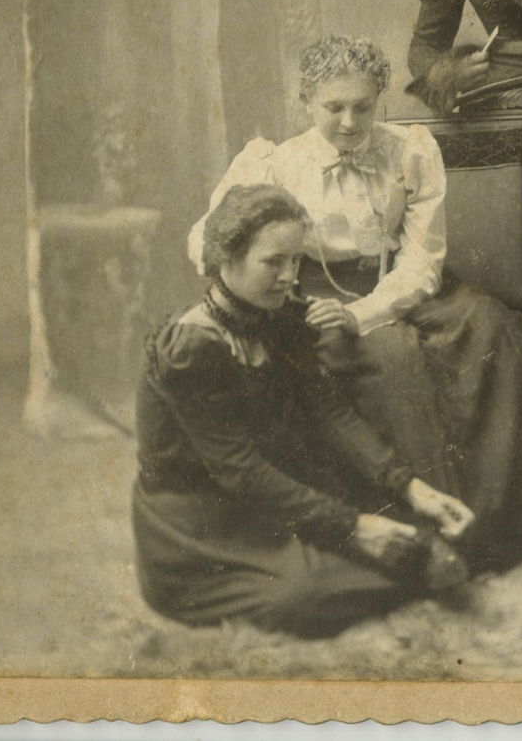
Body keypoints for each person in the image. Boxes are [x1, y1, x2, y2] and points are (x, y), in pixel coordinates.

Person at [188, 36, 522, 570]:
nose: (349, 121)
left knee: (498, 327)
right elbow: (206, 240)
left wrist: (364, 311)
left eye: (363, 107)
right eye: (334, 107)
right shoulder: (274, 165)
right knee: (392, 358)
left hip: (398, 284)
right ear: (306, 101)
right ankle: (426, 533)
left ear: (380, 102)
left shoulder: (409, 151)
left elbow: (422, 261)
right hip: (310, 294)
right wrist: (270, 275)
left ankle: (509, 518)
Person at [135, 184, 474, 637]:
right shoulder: (192, 348)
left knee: (416, 536)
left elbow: (329, 412)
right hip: (199, 522)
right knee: (309, 596)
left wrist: (410, 487)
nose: (289, 277)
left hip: (265, 491)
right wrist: (352, 526)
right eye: (273, 262)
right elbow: (240, 471)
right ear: (226, 259)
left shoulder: (281, 317)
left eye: (295, 260)